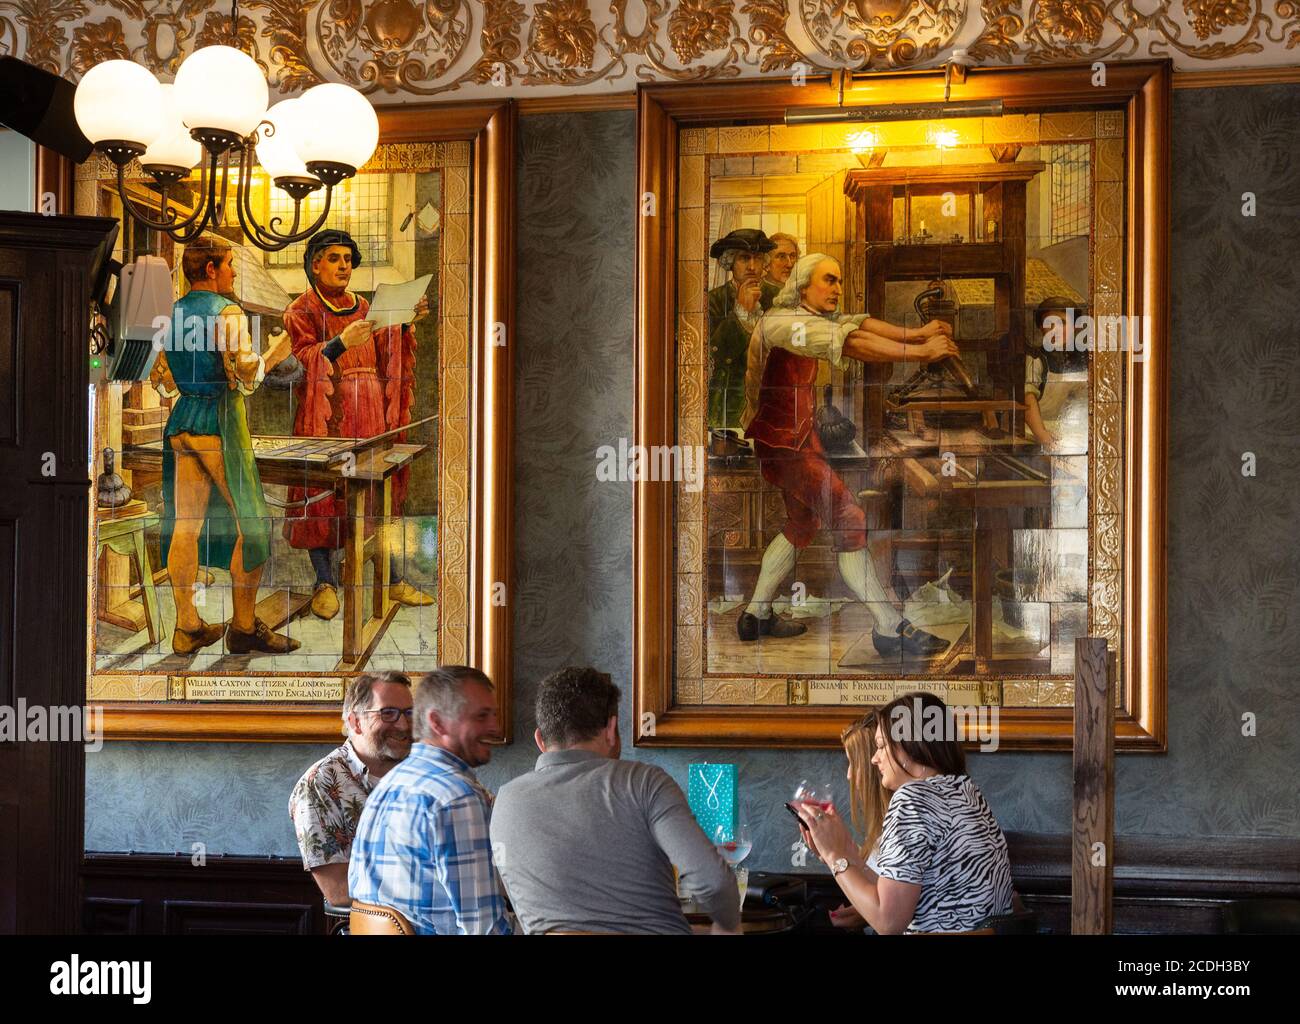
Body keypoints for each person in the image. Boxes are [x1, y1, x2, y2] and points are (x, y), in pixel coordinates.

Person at [734, 253, 957, 657]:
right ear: (804, 287)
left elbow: (858, 323)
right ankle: (890, 628)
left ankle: (756, 614)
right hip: (785, 444)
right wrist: (922, 354)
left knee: (802, 522)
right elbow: (852, 343)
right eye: (829, 281)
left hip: (791, 439)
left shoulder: (807, 315)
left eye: (838, 281)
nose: (837, 289)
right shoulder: (785, 323)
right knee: (850, 518)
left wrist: (918, 333)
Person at [489, 667, 740, 935]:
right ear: (610, 728)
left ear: (540, 739)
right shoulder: (645, 782)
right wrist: (727, 924)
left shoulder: (504, 801)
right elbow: (714, 883)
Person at [151, 236, 297, 656]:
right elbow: (246, 377)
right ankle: (245, 628)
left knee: (186, 525)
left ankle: (187, 627)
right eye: (230, 264)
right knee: (253, 525)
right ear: (211, 269)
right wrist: (274, 352)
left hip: (182, 421)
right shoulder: (227, 311)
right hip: (218, 421)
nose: (234, 272)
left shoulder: (171, 314)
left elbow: (160, 380)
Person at [280, 229, 432, 621]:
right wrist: (339, 344)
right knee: (324, 496)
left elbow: (387, 352)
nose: (344, 265)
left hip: (372, 415)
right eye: (334, 258)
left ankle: (393, 578)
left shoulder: (365, 306)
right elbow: (295, 366)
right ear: (315, 264)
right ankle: (326, 582)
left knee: (381, 493)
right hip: (327, 417)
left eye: (348, 258)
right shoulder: (300, 310)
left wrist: (403, 322)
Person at [794, 691, 1016, 934]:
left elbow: (888, 923)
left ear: (909, 746)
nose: (874, 759)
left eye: (880, 746)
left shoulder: (913, 799)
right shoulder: (966, 791)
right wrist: (843, 850)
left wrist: (835, 855)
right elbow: (897, 889)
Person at [348, 666, 511, 934]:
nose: (495, 727)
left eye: (494, 715)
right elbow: (486, 929)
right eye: (482, 716)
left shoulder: (390, 784)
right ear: (437, 722)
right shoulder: (456, 797)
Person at [288, 671, 413, 906]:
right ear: (356, 722)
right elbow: (339, 891)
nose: (404, 725)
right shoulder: (319, 783)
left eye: (409, 713)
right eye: (388, 713)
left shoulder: (428, 769)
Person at [707, 228, 780, 429]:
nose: (752, 266)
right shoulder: (712, 301)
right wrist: (740, 312)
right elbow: (711, 356)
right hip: (727, 405)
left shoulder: (780, 298)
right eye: (744, 258)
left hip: (772, 402)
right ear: (730, 262)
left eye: (757, 259)